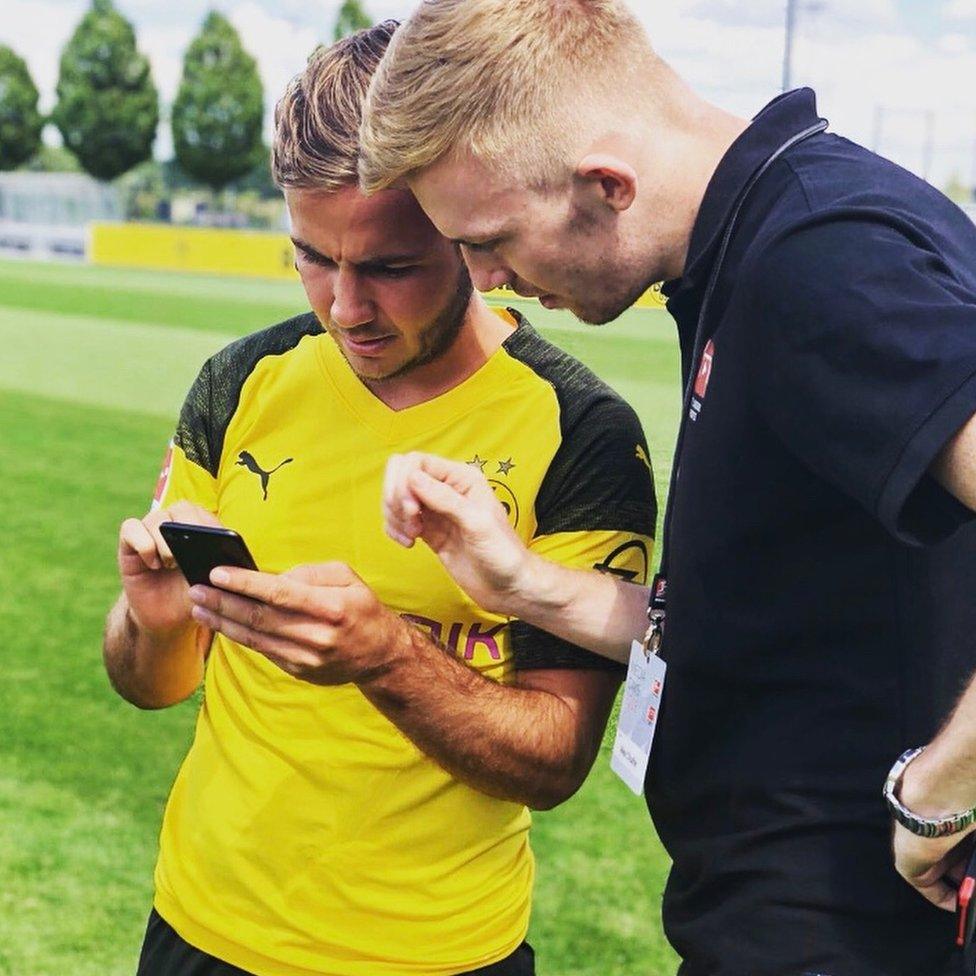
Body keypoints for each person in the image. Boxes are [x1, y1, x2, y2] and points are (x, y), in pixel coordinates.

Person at [360, 2, 976, 974]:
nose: (486, 282)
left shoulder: (815, 257)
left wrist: (945, 785)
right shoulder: (752, 239)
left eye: (488, 240)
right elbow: (772, 615)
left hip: (852, 935)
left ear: (604, 184)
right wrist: (519, 580)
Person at [101, 21, 656, 976]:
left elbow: (557, 758)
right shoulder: (245, 381)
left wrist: (384, 657)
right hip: (200, 927)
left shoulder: (583, 433)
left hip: (436, 953)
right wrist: (153, 621)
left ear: (468, 229)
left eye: (389, 267)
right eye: (311, 258)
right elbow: (153, 684)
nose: (345, 305)